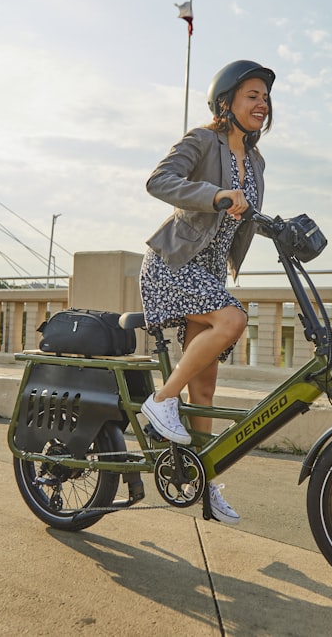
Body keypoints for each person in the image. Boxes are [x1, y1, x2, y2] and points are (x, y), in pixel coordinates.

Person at [139, 60, 275, 524]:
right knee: (233, 321)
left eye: (265, 97)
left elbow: (246, 215)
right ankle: (160, 402)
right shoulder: (203, 140)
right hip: (174, 264)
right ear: (227, 102)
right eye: (252, 95)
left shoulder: (255, 161)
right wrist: (215, 194)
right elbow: (159, 181)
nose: (262, 104)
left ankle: (202, 479)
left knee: (207, 386)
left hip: (211, 272)